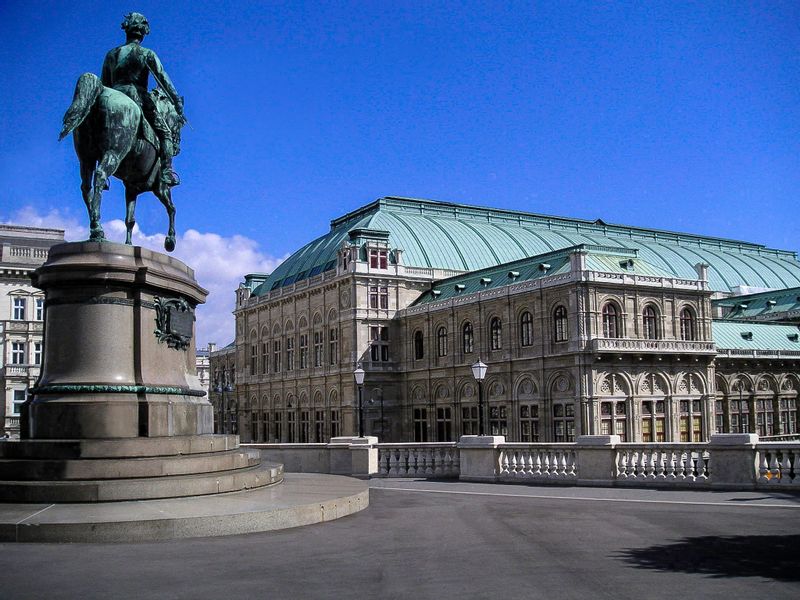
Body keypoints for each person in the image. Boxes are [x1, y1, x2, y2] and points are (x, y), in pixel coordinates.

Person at [101, 12, 184, 186]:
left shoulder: (112, 54)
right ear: (143, 33)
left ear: (127, 30)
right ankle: (167, 172)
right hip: (137, 95)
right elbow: (163, 78)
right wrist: (176, 100)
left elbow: (105, 84)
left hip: (114, 92)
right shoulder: (146, 53)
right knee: (166, 133)